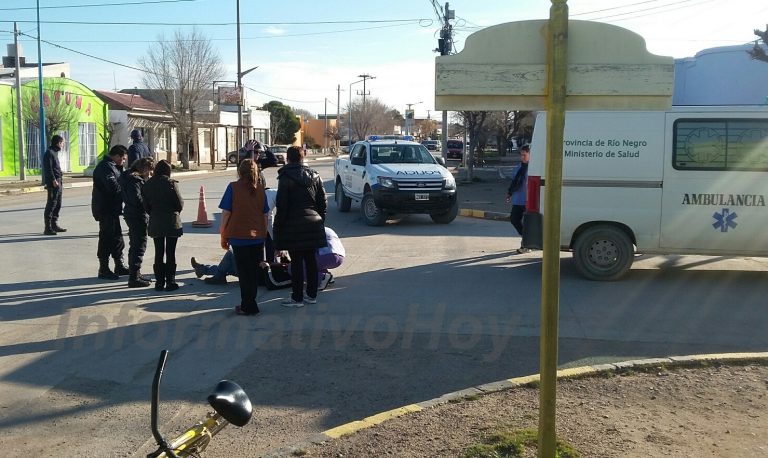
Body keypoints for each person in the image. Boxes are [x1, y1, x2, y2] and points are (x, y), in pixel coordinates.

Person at [273, 145, 327, 307]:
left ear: (288, 158)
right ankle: (312, 294)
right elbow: (322, 203)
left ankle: (297, 298)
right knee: (311, 260)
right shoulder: (315, 176)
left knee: (296, 261)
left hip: (293, 225)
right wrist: (319, 221)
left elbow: (282, 206)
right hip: (313, 223)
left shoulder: (285, 177)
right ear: (303, 157)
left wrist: (278, 229)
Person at [218, 158, 270, 315]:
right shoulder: (261, 189)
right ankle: (250, 303)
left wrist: (223, 234)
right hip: (257, 237)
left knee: (244, 273)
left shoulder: (233, 187)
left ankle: (247, 305)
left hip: (238, 237)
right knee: (253, 273)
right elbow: (265, 214)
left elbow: (226, 213)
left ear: (239, 172)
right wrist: (263, 234)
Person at [143, 160, 184, 291]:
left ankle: (159, 282)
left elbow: (145, 206)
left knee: (158, 252)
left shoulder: (148, 184)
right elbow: (179, 203)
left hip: (155, 221)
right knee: (170, 253)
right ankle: (170, 281)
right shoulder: (171, 184)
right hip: (172, 221)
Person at [92, 145, 129, 280]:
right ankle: (103, 268)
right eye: (123, 159)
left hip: (113, 209)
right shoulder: (105, 168)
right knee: (106, 238)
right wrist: (126, 189)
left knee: (117, 237)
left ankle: (119, 264)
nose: (124, 161)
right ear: (117, 156)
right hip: (105, 209)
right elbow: (113, 187)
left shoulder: (114, 167)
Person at [120, 156, 154, 288]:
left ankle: (136, 273)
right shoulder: (135, 181)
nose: (150, 174)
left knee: (135, 244)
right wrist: (149, 204)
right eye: (149, 171)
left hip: (132, 214)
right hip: (137, 215)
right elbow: (138, 200)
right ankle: (134, 277)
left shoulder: (130, 178)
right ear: (143, 168)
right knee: (139, 246)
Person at [505, 143, 530, 254]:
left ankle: (525, 244)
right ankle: (527, 239)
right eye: (521, 155)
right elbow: (514, 182)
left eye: (524, 155)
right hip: (518, 199)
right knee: (514, 219)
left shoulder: (534, 168)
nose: (522, 157)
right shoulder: (519, 167)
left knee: (529, 223)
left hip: (530, 200)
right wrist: (509, 193)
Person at [42, 135, 66, 235]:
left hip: (58, 181)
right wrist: (53, 180)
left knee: (58, 203)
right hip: (54, 183)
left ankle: (54, 224)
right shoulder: (49, 153)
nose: (63, 145)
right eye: (62, 143)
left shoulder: (54, 152)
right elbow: (48, 168)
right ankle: (48, 227)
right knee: (51, 204)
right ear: (58, 143)